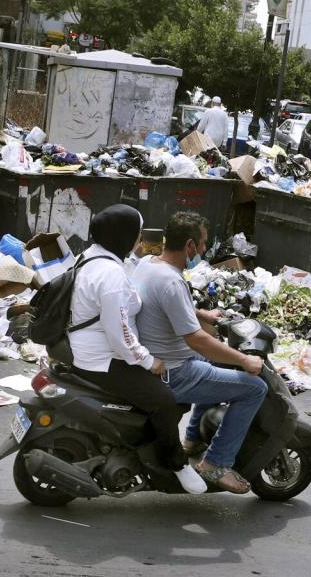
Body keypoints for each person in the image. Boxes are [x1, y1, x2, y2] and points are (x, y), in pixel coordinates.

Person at [68, 204, 207, 495]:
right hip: (105, 359)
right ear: (123, 235)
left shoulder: (93, 257)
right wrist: (148, 361)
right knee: (165, 401)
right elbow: (119, 333)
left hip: (90, 350)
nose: (140, 240)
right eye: (137, 234)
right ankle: (176, 463)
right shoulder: (110, 277)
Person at [131, 212, 267, 494]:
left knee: (218, 364)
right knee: (254, 388)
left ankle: (192, 439)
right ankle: (216, 463)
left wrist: (203, 313)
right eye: (203, 244)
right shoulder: (172, 281)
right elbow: (197, 340)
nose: (204, 251)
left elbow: (170, 306)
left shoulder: (148, 265)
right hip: (175, 372)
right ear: (190, 245)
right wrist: (244, 359)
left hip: (162, 361)